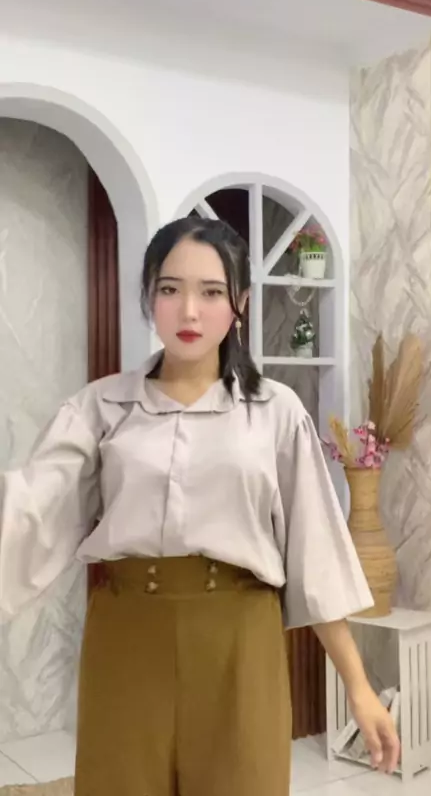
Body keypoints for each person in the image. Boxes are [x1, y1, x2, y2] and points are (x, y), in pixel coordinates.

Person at [0, 216, 399, 795]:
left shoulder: (276, 411)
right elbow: (27, 514)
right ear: (149, 295)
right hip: (127, 639)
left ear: (240, 302)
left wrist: (359, 688)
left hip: (240, 642)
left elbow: (316, 554)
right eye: (170, 289)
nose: (189, 311)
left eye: (211, 292)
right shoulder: (99, 408)